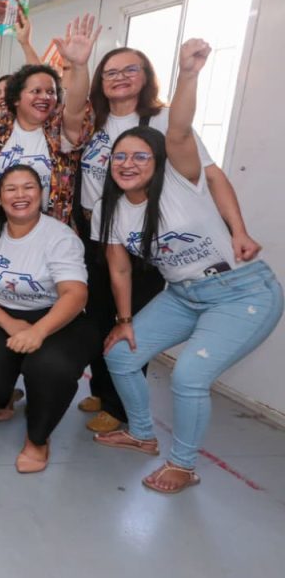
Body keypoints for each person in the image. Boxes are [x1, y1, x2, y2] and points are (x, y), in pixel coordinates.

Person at [93, 39, 283, 494]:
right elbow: (119, 269)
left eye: (140, 156)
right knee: (120, 354)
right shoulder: (110, 208)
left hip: (242, 292)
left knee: (188, 376)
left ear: (159, 161)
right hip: (182, 295)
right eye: (120, 157)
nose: (128, 164)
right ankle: (142, 435)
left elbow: (177, 130)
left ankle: (183, 464)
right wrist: (124, 321)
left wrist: (189, 74)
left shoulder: (183, 179)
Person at [0, 165, 96, 473]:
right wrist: (8, 323)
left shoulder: (59, 237)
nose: (20, 195)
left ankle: (37, 439)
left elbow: (75, 294)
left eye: (28, 187)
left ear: (41, 193)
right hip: (3, 314)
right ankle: (6, 393)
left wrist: (39, 331)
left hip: (57, 317)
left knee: (47, 368)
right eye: (11, 189)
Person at [0, 14, 99, 226]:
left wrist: (79, 66)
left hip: (48, 234)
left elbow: (76, 107)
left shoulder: (60, 132)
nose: (45, 97)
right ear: (16, 99)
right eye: (36, 91)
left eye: (51, 92)